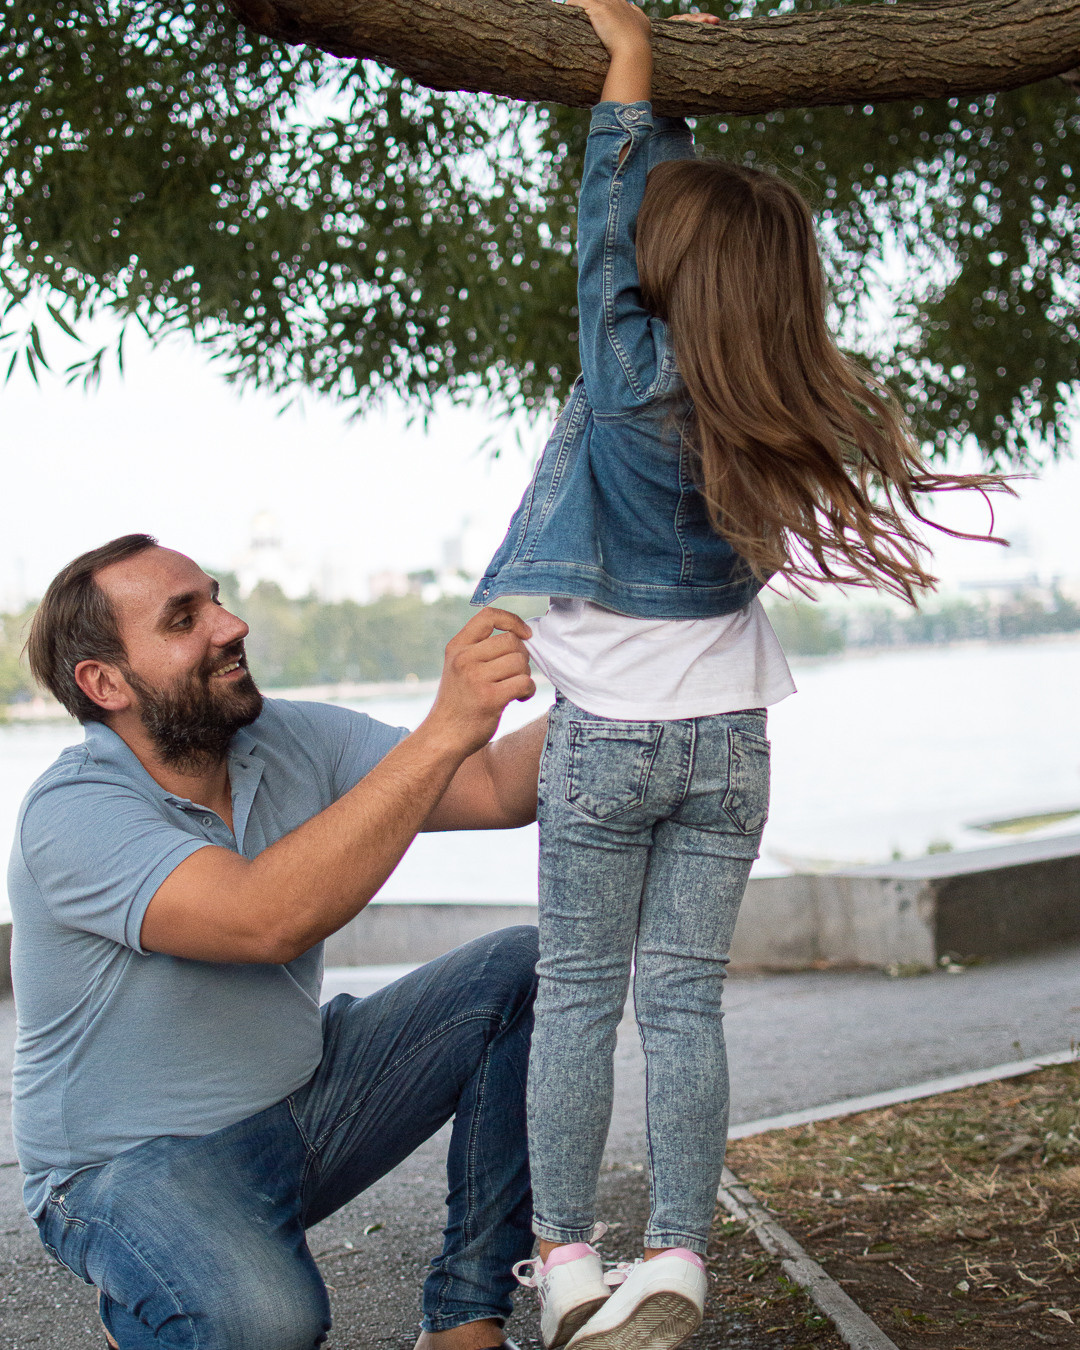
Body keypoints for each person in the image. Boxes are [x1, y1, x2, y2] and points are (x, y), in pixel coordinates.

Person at [474, 4, 1008, 1348]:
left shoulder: (629, 372)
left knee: (582, 999)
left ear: (662, 275)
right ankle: (680, 1259)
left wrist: (634, 59)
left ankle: (567, 1261)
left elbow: (616, 220)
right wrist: (674, 97)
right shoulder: (774, 385)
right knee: (686, 1005)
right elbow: (688, 234)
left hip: (604, 750)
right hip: (731, 747)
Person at [9, 533, 547, 1350]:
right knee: (265, 1325)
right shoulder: (73, 813)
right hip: (125, 1172)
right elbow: (263, 921)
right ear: (103, 683)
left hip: (305, 1105)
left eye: (217, 599)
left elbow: (494, 784)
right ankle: (152, 1295)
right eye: (185, 618)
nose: (231, 625)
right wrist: (445, 728)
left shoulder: (290, 738)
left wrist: (628, 683)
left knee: (518, 968)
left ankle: (463, 1323)